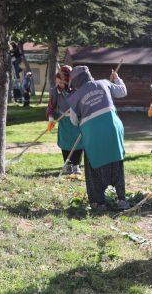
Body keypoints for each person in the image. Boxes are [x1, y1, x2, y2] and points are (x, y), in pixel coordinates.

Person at [67, 66, 129, 210]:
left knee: (93, 166)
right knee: (116, 162)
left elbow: (74, 121)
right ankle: (121, 200)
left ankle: (99, 203)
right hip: (113, 128)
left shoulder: (75, 97)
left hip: (93, 133)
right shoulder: (104, 83)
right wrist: (117, 78)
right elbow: (123, 91)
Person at [46, 65, 84, 175]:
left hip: (76, 120)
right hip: (63, 121)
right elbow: (51, 106)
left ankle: (76, 166)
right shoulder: (55, 91)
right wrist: (51, 118)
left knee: (78, 143)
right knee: (65, 143)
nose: (60, 85)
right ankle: (67, 165)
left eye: (62, 83)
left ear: (68, 81)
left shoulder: (77, 90)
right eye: (58, 82)